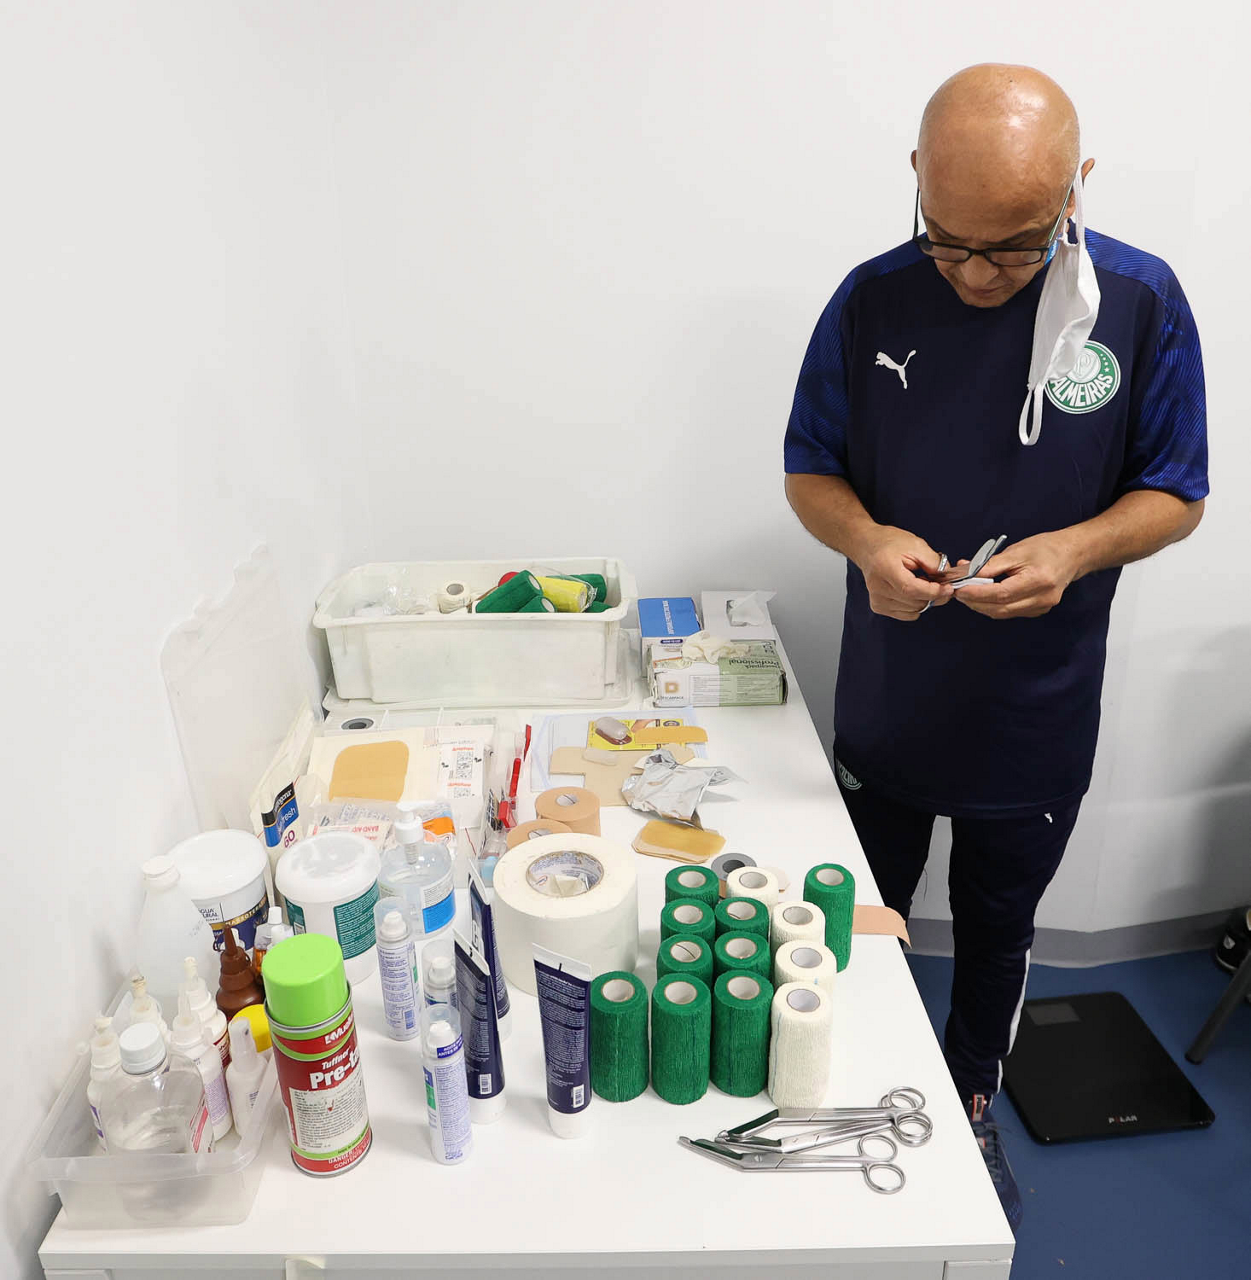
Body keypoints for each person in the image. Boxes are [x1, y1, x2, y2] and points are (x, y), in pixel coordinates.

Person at [783, 64, 1208, 1230]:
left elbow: (1177, 491)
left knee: (998, 933)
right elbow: (810, 469)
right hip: (890, 696)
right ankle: (835, 1092)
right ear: (918, 178)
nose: (975, 275)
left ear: (1079, 188)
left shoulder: (1141, 302)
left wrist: (1075, 548)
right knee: (854, 925)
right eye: (949, 240)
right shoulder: (872, 300)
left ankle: (970, 1102)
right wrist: (868, 538)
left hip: (1036, 707)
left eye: (1015, 248)